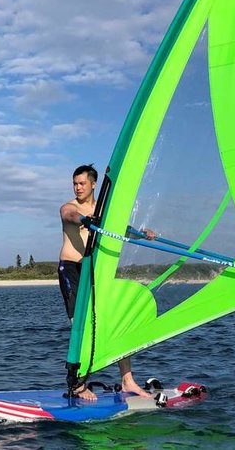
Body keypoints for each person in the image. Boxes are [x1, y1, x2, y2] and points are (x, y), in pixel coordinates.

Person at [58, 163, 154, 400]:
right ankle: (78, 384)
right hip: (71, 270)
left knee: (114, 321)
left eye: (82, 183)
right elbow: (70, 215)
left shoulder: (103, 212)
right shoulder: (70, 208)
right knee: (80, 325)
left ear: (93, 184)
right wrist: (84, 219)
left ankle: (127, 380)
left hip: (94, 272)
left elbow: (120, 228)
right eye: (75, 184)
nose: (77, 188)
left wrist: (142, 234)